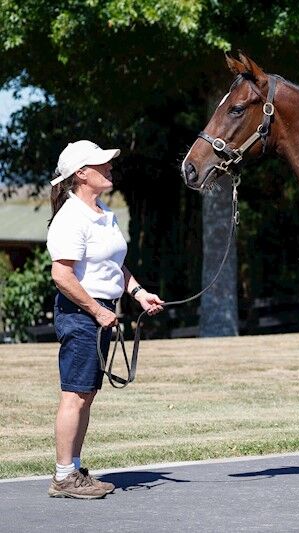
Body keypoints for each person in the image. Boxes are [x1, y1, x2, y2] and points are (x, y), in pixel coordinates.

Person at [45, 140, 164, 499]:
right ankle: (63, 476)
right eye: (101, 164)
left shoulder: (102, 212)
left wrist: (138, 292)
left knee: (87, 394)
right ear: (81, 174)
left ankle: (73, 470)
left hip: (100, 313)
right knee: (75, 394)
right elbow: (61, 276)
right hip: (81, 313)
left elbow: (114, 265)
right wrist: (97, 311)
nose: (110, 167)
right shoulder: (71, 217)